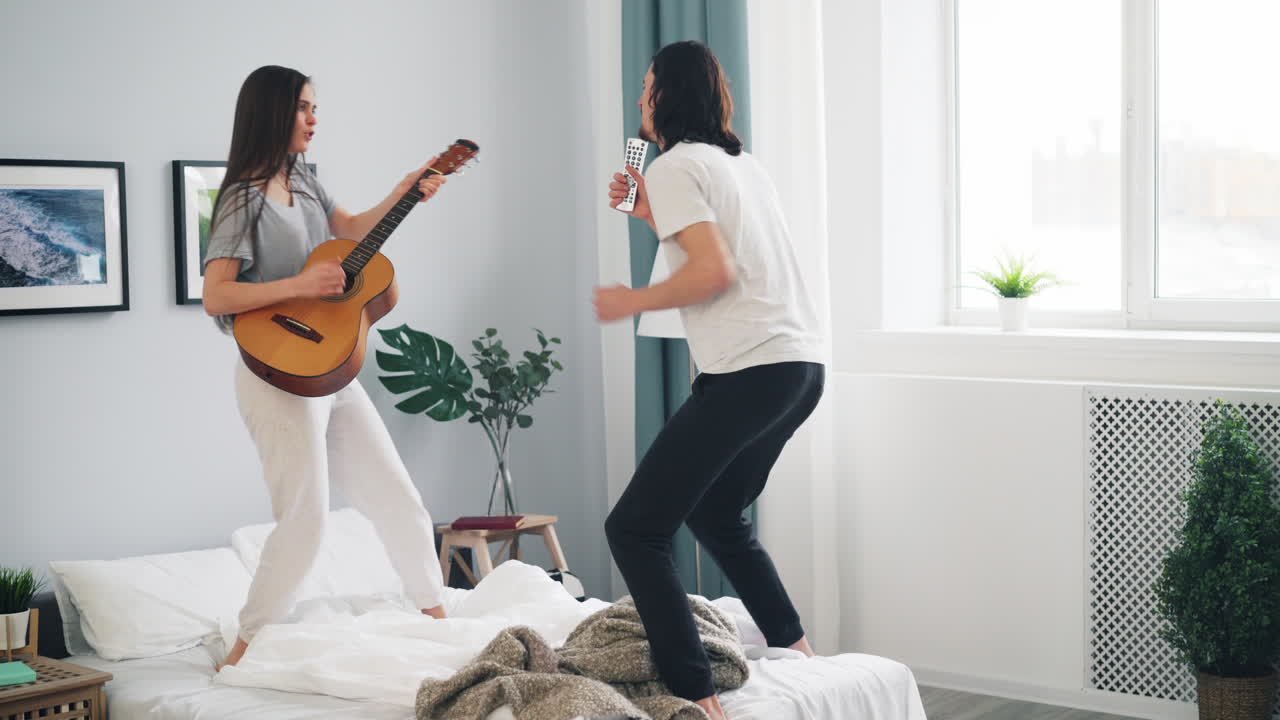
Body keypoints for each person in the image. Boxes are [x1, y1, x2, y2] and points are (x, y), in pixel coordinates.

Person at [597, 41, 826, 720]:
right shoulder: (739, 164)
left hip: (750, 370)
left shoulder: (673, 166)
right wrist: (646, 213)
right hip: (799, 366)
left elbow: (713, 272)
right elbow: (726, 248)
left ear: (664, 96)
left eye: (645, 87)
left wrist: (628, 300)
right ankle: (800, 653)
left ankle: (697, 697)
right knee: (719, 514)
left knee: (635, 530)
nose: (639, 98)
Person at [202, 65, 449, 670]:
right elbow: (217, 296)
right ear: (273, 112)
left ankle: (438, 617)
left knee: (397, 495)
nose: (316, 119)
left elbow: (353, 231)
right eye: (305, 108)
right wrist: (298, 283)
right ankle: (245, 648)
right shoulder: (241, 198)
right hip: (275, 376)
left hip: (331, 370)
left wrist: (405, 189)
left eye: (316, 108)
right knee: (306, 517)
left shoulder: (305, 181)